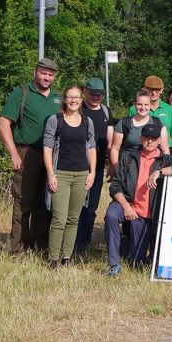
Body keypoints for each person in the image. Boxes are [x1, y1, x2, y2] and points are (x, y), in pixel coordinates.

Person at [0, 58, 62, 254]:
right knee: (23, 202)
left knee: (46, 202)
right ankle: (17, 249)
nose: (47, 77)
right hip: (28, 153)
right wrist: (14, 153)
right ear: (35, 72)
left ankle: (39, 246)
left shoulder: (58, 98)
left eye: (51, 74)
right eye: (44, 73)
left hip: (51, 156)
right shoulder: (21, 93)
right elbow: (2, 123)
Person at [104, 124, 172, 276]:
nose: (149, 141)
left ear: (159, 140)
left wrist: (160, 172)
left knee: (136, 263)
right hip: (127, 204)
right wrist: (126, 206)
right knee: (111, 215)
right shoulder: (128, 157)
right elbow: (115, 186)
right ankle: (114, 264)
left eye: (153, 139)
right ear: (141, 138)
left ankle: (124, 243)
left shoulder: (164, 159)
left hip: (146, 216)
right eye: (146, 138)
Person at [43, 85, 97, 268]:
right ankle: (53, 258)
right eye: (70, 97)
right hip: (61, 174)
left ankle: (67, 256)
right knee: (59, 217)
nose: (73, 100)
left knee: (74, 218)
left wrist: (93, 172)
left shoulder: (87, 121)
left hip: (81, 174)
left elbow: (91, 147)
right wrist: (51, 174)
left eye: (77, 97)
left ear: (81, 100)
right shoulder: (55, 120)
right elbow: (47, 148)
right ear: (64, 100)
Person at [75, 77, 114, 252]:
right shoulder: (78, 109)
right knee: (76, 207)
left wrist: (112, 164)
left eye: (100, 94)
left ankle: (85, 242)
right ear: (85, 92)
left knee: (91, 208)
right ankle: (72, 242)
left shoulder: (106, 112)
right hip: (76, 166)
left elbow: (112, 140)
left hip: (97, 168)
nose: (96, 97)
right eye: (92, 93)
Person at [109, 89, 169, 177]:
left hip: (152, 169)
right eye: (139, 104)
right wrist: (116, 167)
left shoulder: (158, 124)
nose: (143, 107)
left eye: (146, 104)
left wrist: (163, 170)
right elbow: (115, 148)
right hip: (128, 169)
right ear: (134, 104)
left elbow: (165, 150)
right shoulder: (124, 123)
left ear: (150, 105)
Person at [127, 75, 172, 148]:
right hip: (140, 152)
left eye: (157, 90)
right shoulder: (134, 109)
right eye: (151, 89)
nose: (154, 93)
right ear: (145, 89)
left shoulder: (170, 110)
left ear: (162, 90)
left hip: (164, 153)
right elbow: (129, 133)